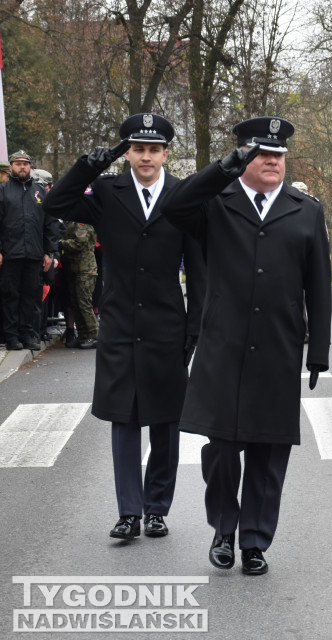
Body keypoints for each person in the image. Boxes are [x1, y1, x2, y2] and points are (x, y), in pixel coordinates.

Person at [160, 116, 332, 575]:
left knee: (268, 451)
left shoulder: (305, 209)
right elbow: (175, 206)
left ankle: (255, 541)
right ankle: (223, 529)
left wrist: (319, 353)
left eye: (278, 154)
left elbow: (319, 284)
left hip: (278, 347)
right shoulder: (217, 203)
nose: (272, 161)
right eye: (261, 153)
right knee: (220, 449)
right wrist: (222, 169)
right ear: (243, 157)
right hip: (223, 344)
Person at [43, 113, 206, 541]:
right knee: (124, 420)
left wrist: (195, 328)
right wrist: (90, 165)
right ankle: (128, 511)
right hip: (118, 323)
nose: (146, 157)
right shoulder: (108, 192)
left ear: (166, 153)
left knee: (166, 421)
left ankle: (157, 508)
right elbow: (55, 203)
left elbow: (201, 271)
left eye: (154, 150)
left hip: (169, 324)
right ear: (127, 153)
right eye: (138, 149)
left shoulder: (183, 195)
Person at [0, 150, 61, 350]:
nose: (22, 167)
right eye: (18, 164)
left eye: (25, 163)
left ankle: (29, 335)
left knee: (31, 297)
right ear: (11, 168)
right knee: (11, 296)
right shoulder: (3, 190)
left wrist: (49, 253)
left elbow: (50, 225)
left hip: (35, 254)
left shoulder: (41, 193)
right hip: (10, 254)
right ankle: (11, 337)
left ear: (30, 167)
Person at [58, 220, 99, 349]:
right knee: (75, 303)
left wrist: (60, 242)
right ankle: (83, 335)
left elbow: (79, 243)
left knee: (84, 303)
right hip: (73, 269)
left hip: (85, 269)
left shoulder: (82, 222)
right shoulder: (71, 222)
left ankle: (94, 335)